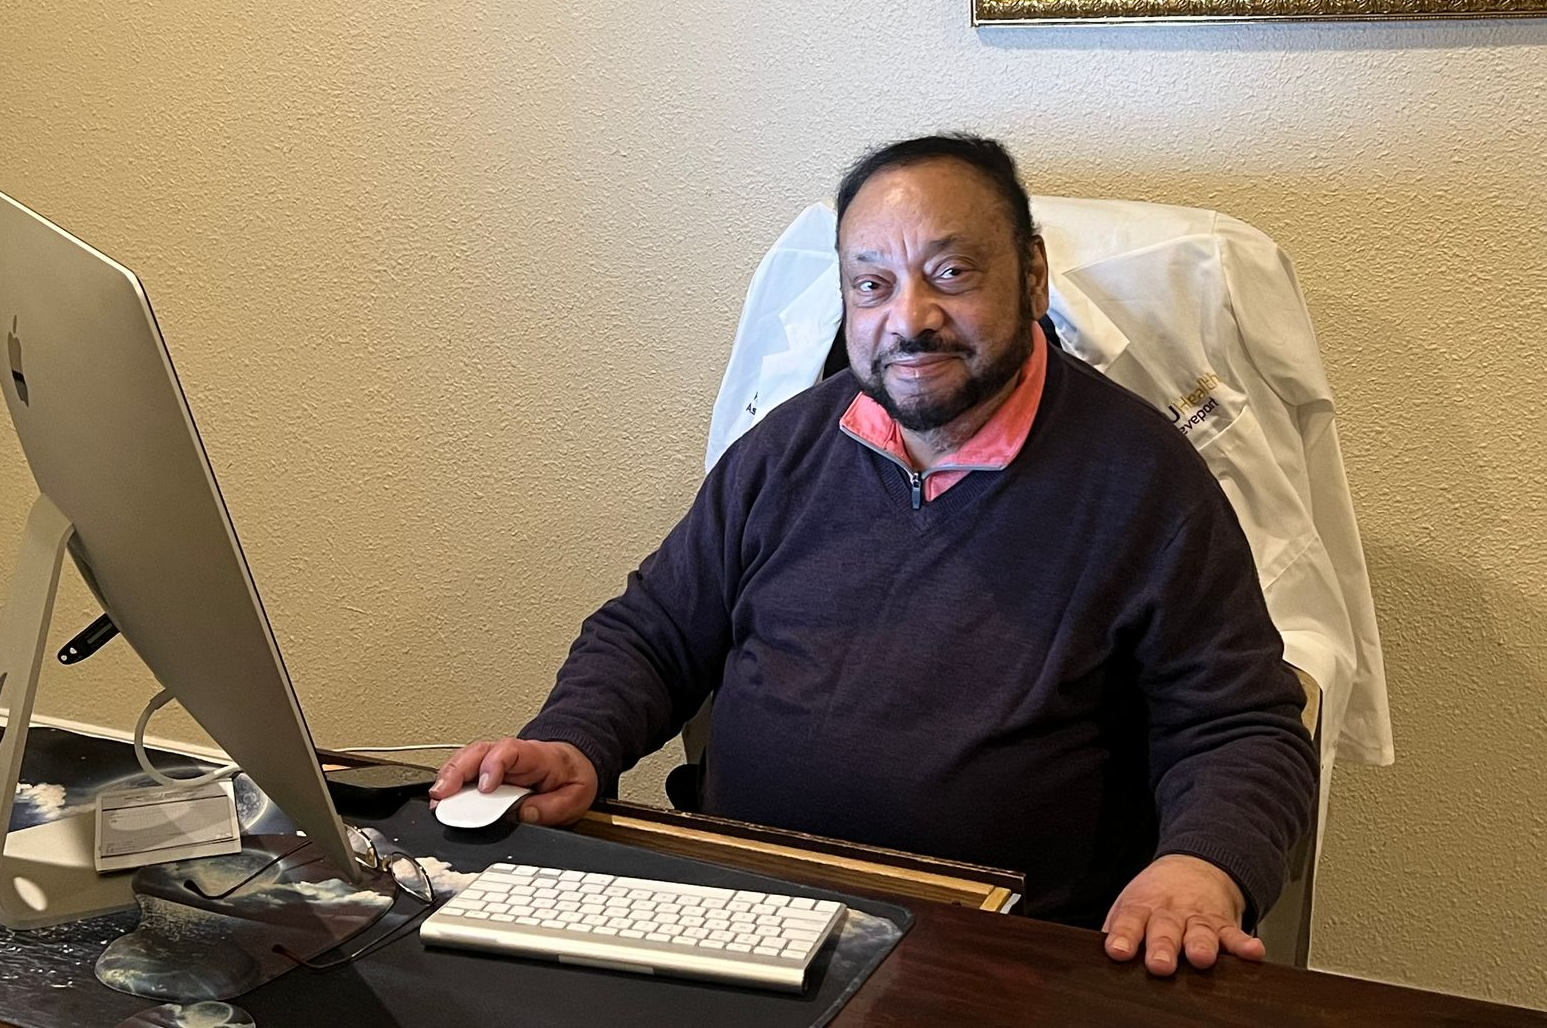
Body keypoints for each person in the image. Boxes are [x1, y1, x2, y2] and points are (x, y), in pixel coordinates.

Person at [429, 133, 1318, 977]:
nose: (910, 319)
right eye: (872, 284)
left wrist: (1202, 868)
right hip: (746, 908)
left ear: (1034, 275)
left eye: (952, 274)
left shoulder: (1142, 479)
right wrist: (573, 740)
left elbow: (1241, 724)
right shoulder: (791, 447)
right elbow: (653, 632)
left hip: (999, 951)